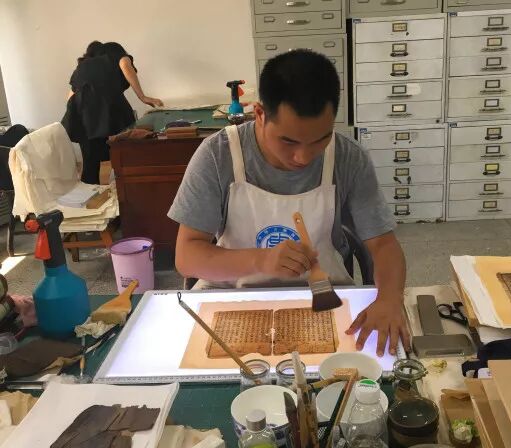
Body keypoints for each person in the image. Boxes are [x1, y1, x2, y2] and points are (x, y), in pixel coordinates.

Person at [168, 50, 409, 357]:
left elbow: (383, 245)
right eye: (289, 141)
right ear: (259, 114)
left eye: (320, 140)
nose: (303, 157)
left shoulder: (348, 157)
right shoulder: (218, 155)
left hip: (322, 301)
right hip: (232, 299)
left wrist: (390, 298)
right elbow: (187, 256)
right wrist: (261, 260)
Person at [62, 41, 163, 184]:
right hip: (111, 109)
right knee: (124, 150)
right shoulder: (115, 54)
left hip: (83, 114)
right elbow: (125, 65)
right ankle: (126, 185)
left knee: (90, 162)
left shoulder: (82, 66)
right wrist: (143, 97)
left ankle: (91, 193)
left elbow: (70, 96)